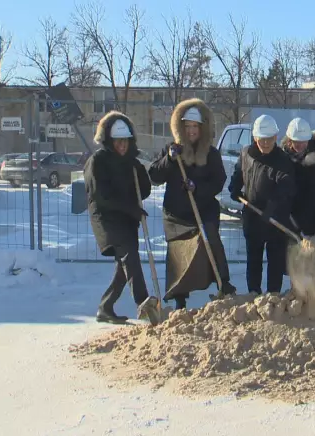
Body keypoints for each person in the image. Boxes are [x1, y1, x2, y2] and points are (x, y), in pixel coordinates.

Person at [148, 98, 235, 309]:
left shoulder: (211, 153)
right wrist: (169, 159)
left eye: (195, 126)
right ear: (181, 127)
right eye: (187, 126)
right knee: (179, 252)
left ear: (202, 128)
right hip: (176, 214)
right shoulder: (172, 150)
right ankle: (179, 296)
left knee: (211, 239)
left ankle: (223, 283)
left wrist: (197, 188)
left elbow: (218, 181)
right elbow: (154, 175)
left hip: (203, 210)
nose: (191, 131)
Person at [85, 111, 153, 323]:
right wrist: (131, 209)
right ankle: (145, 304)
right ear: (108, 140)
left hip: (126, 218)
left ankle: (105, 307)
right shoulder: (98, 161)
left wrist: (141, 172)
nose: (122, 146)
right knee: (129, 257)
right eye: (118, 142)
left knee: (125, 265)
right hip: (106, 218)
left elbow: (144, 190)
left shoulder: (131, 162)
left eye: (125, 141)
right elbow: (101, 196)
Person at [228, 114, 296, 294]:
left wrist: (272, 208)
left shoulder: (283, 160)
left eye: (270, 139)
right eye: (262, 139)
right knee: (254, 258)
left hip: (275, 219)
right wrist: (235, 187)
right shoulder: (246, 154)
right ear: (255, 137)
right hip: (252, 216)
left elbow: (286, 187)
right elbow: (239, 173)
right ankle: (254, 293)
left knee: (275, 260)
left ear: (275, 137)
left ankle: (273, 295)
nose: (265, 143)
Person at [281, 117, 315, 238]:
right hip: (290, 221)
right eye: (296, 141)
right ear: (289, 140)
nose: (300, 145)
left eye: (303, 141)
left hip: (314, 221)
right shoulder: (282, 159)